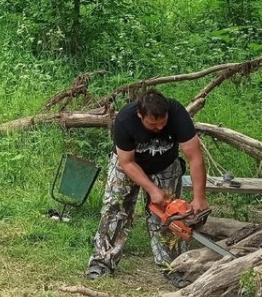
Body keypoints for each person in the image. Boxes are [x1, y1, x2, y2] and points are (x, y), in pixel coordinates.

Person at [86, 90, 209, 286]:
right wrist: (152, 189)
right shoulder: (125, 119)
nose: (159, 126)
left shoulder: (177, 114)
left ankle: (173, 267)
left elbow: (195, 157)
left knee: (170, 216)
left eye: (163, 122)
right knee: (115, 210)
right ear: (140, 115)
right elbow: (126, 162)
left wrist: (199, 197)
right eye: (153, 124)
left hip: (166, 165)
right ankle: (102, 262)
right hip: (128, 165)